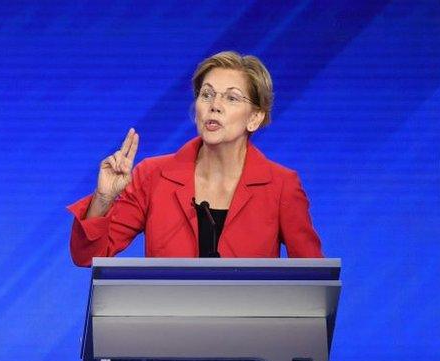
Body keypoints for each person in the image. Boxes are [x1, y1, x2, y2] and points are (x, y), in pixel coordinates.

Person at [68, 51, 322, 266]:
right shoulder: (152, 176)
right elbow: (89, 256)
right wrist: (103, 199)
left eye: (231, 98)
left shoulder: (281, 186)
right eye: (207, 95)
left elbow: (313, 282)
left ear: (254, 118)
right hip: (167, 324)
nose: (215, 105)